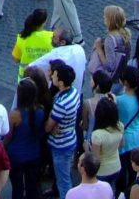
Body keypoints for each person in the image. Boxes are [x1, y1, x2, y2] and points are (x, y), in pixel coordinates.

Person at [47, 62, 81, 199]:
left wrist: (52, 123)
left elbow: (48, 126)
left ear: (60, 82)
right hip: (69, 138)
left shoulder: (61, 104)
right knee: (64, 176)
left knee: (63, 181)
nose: (52, 76)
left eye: (54, 76)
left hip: (60, 145)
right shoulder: (74, 93)